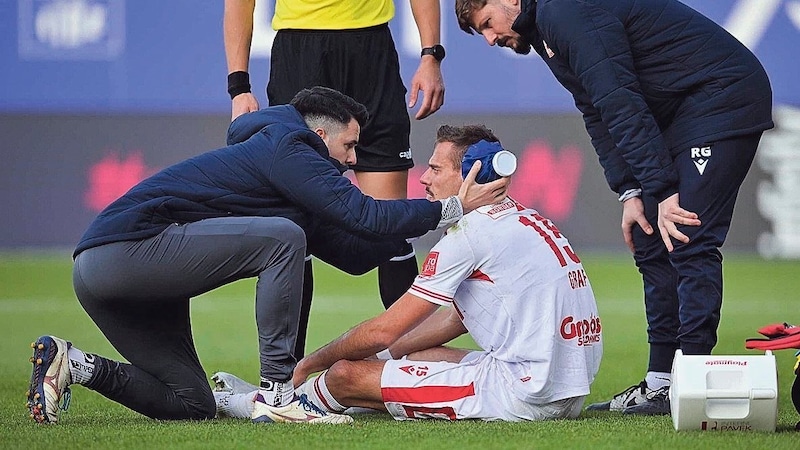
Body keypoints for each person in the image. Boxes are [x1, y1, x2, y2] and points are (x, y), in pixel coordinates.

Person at [25, 87, 508, 425]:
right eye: (349, 146)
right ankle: (278, 392)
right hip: (122, 254)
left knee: (190, 403)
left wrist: (432, 231)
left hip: (121, 276)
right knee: (281, 237)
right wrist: (451, 208)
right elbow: (362, 214)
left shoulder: (292, 176)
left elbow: (355, 251)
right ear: (321, 136)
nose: (353, 160)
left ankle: (74, 364)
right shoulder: (288, 146)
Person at [454, 0, 774, 415]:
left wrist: (661, 189)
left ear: (509, 1)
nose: (491, 38)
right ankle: (662, 384)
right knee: (649, 238)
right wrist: (631, 192)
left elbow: (618, 100)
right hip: (680, 110)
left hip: (721, 97)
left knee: (685, 233)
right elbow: (596, 110)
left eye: (487, 24)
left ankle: (694, 384)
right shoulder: (544, 30)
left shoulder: (564, 13)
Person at [211, 124, 602, 423]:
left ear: (472, 174)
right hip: (565, 386)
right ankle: (346, 394)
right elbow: (453, 321)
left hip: (524, 395)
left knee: (345, 374)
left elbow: (384, 330)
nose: (425, 179)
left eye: (435, 168)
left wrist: (310, 362)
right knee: (416, 353)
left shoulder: (468, 235)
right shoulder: (526, 217)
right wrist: (389, 357)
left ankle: (275, 403)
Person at [223, 0, 447, 360]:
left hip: (371, 51)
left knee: (392, 230)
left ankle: (417, 368)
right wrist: (238, 86)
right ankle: (284, 381)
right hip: (300, 53)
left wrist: (430, 55)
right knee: (293, 230)